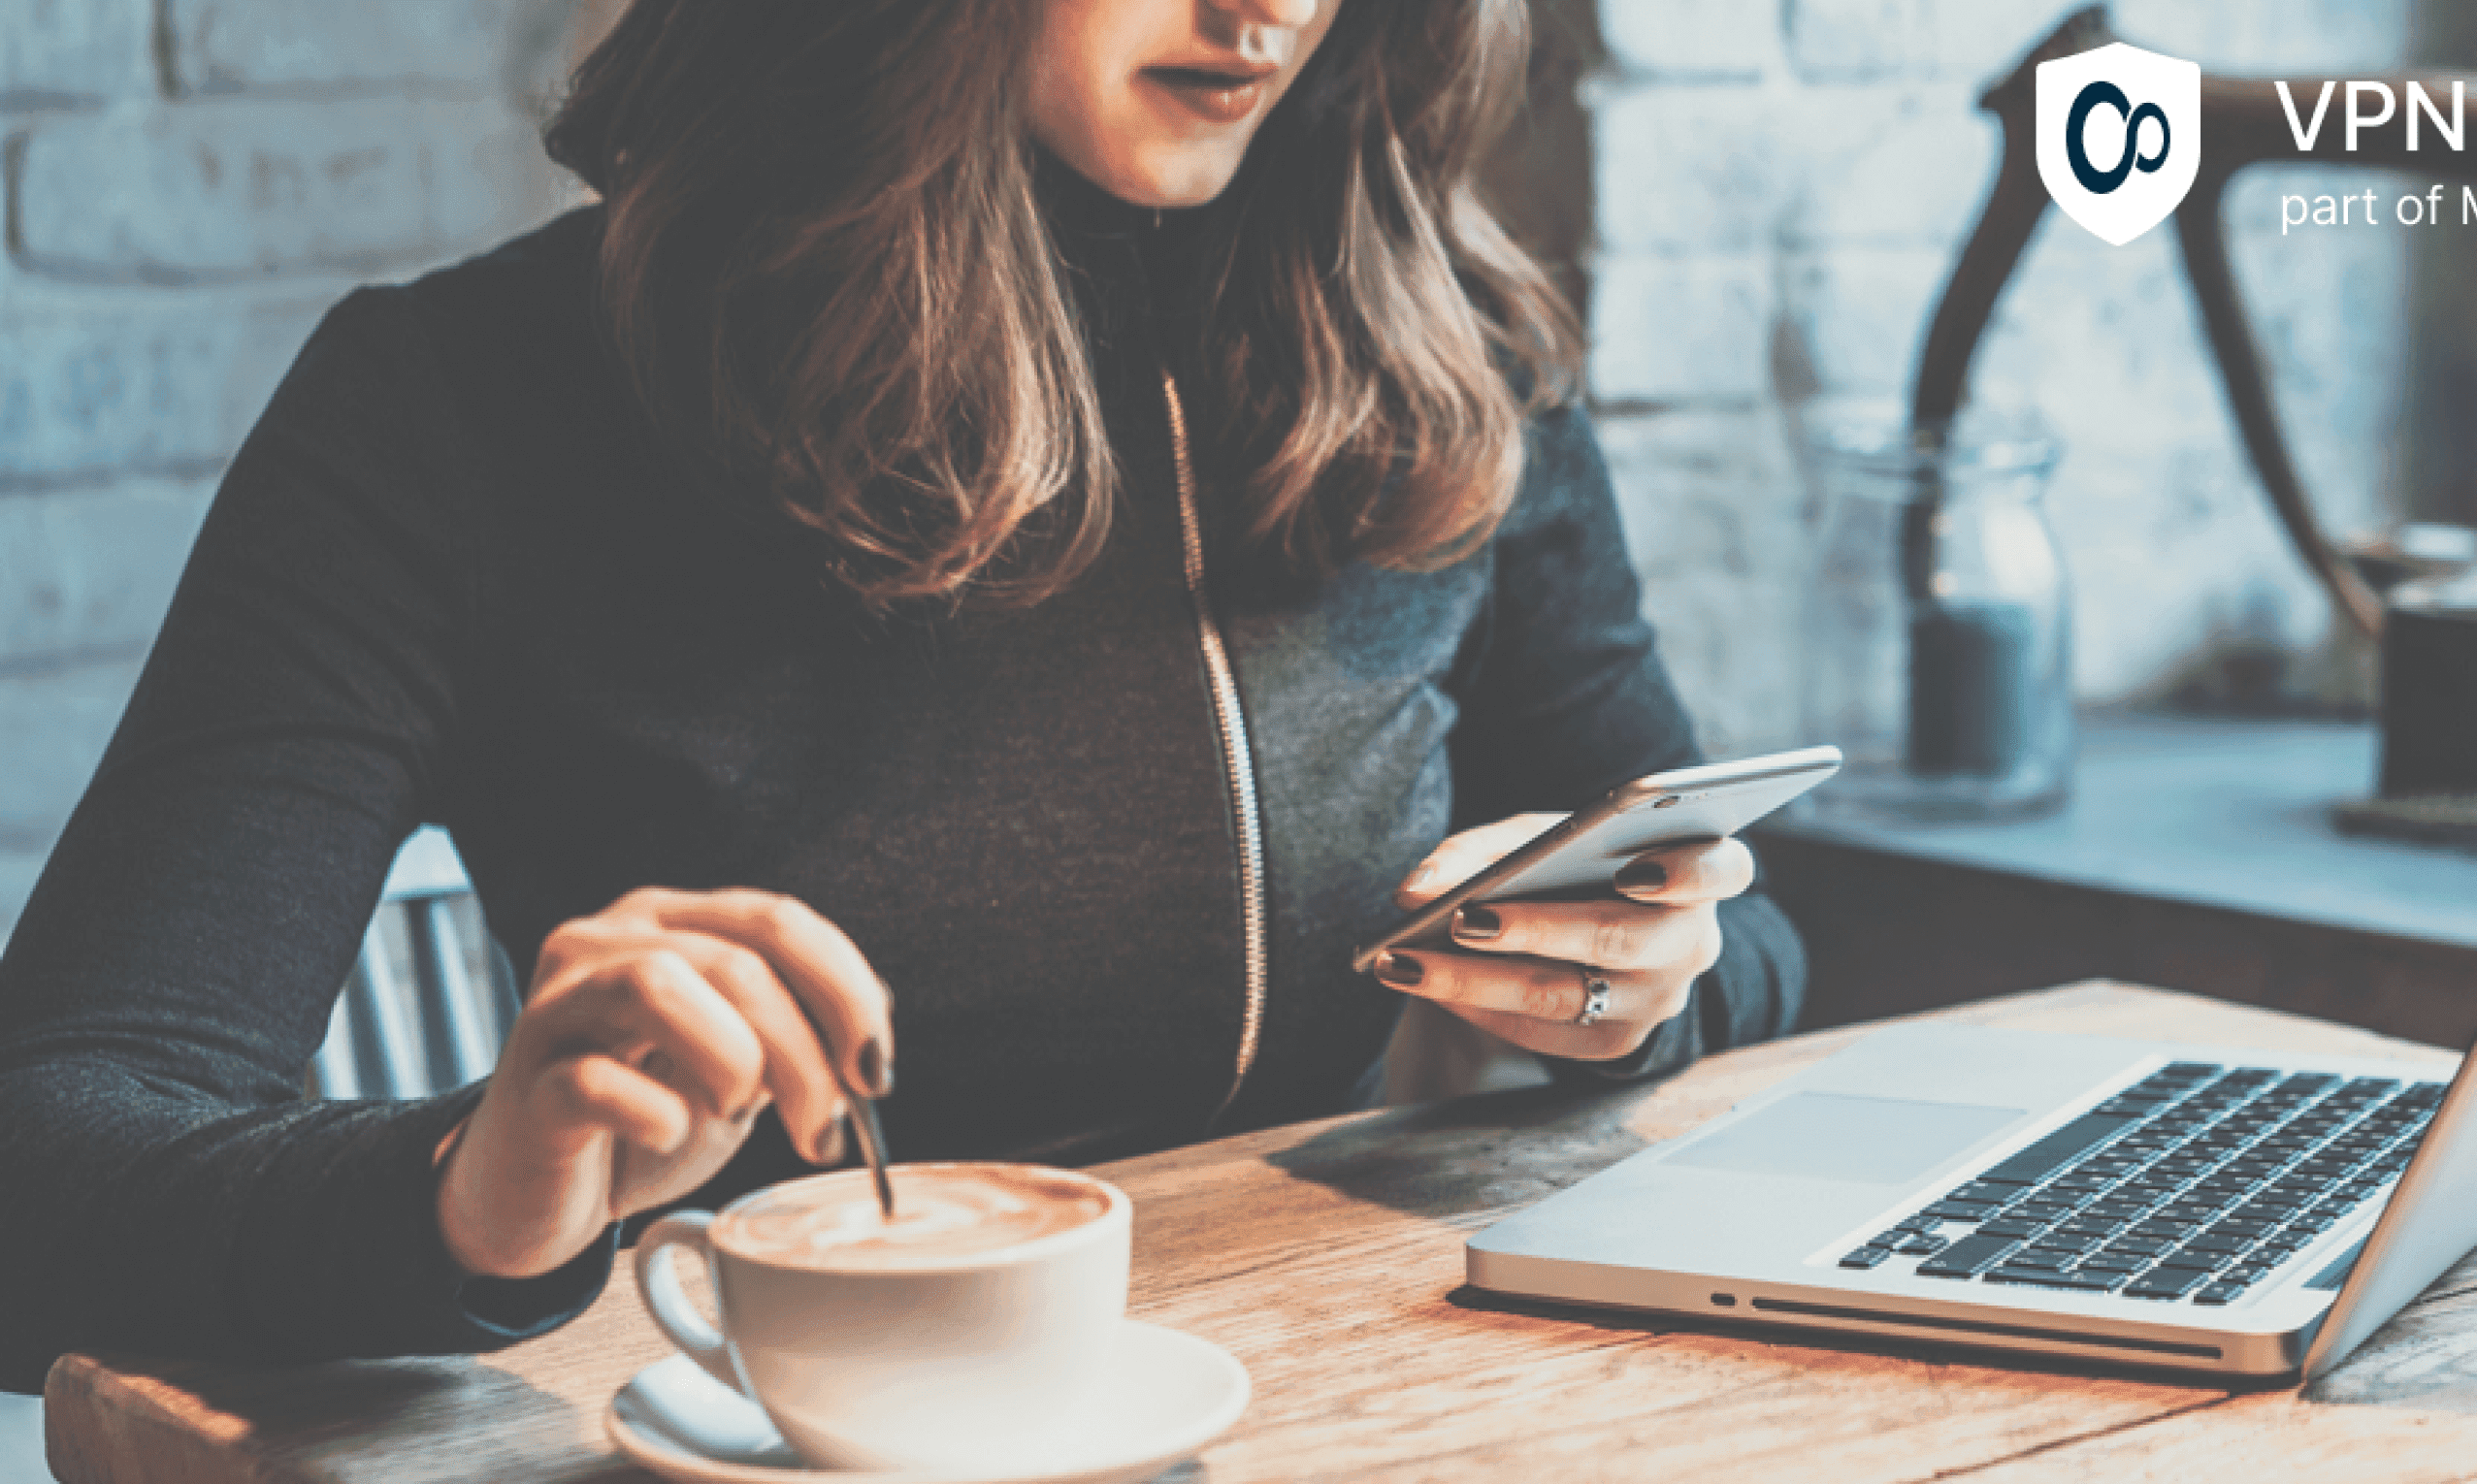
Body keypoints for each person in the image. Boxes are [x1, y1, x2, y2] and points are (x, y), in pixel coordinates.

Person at [0, 0, 1804, 1391]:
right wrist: (475, 1187)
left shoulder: (1443, 355)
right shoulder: (459, 406)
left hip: (1390, 1404)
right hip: (774, 1432)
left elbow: (1757, 941)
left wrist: (1627, 987)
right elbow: (40, 1178)